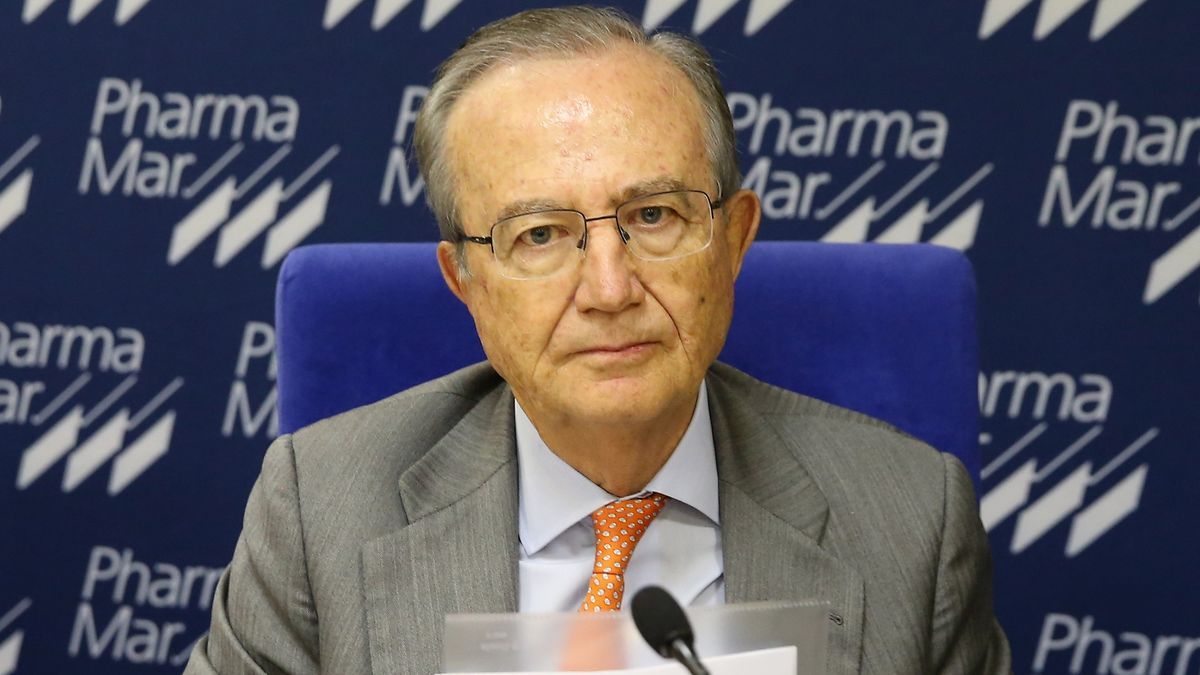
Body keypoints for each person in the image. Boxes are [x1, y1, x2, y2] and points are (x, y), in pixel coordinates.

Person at [185, 6, 1010, 674]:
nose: (610, 290)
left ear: (733, 240)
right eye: (540, 235)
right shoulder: (320, 514)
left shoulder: (911, 523)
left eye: (654, 216)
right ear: (465, 281)